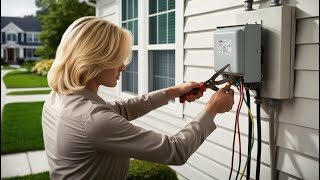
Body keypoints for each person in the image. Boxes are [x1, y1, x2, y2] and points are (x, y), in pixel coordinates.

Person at [42, 16, 234, 180]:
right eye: (117, 58)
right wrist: (213, 108)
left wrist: (173, 91)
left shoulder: (58, 98)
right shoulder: (92, 120)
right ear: (94, 60)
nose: (123, 67)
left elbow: (121, 110)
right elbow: (175, 151)